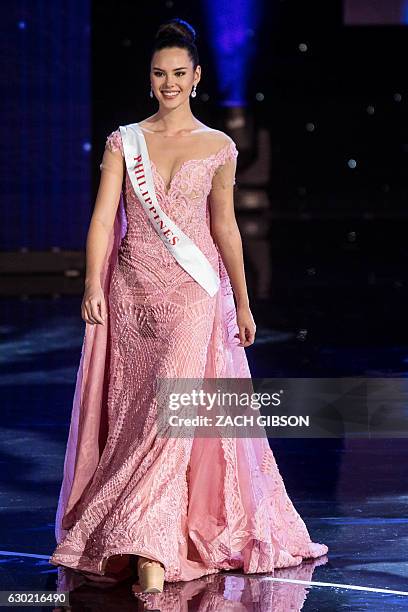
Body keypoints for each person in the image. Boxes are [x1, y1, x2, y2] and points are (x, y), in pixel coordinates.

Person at [48, 17, 328, 594]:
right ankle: (135, 528)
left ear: (196, 77)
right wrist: (91, 284)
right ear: (149, 79)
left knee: (171, 415)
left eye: (179, 73)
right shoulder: (123, 141)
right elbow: (104, 217)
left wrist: (244, 303)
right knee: (133, 413)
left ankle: (149, 544)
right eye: (159, 74)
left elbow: (226, 229)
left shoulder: (218, 147)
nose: (169, 83)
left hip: (193, 294)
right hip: (131, 292)